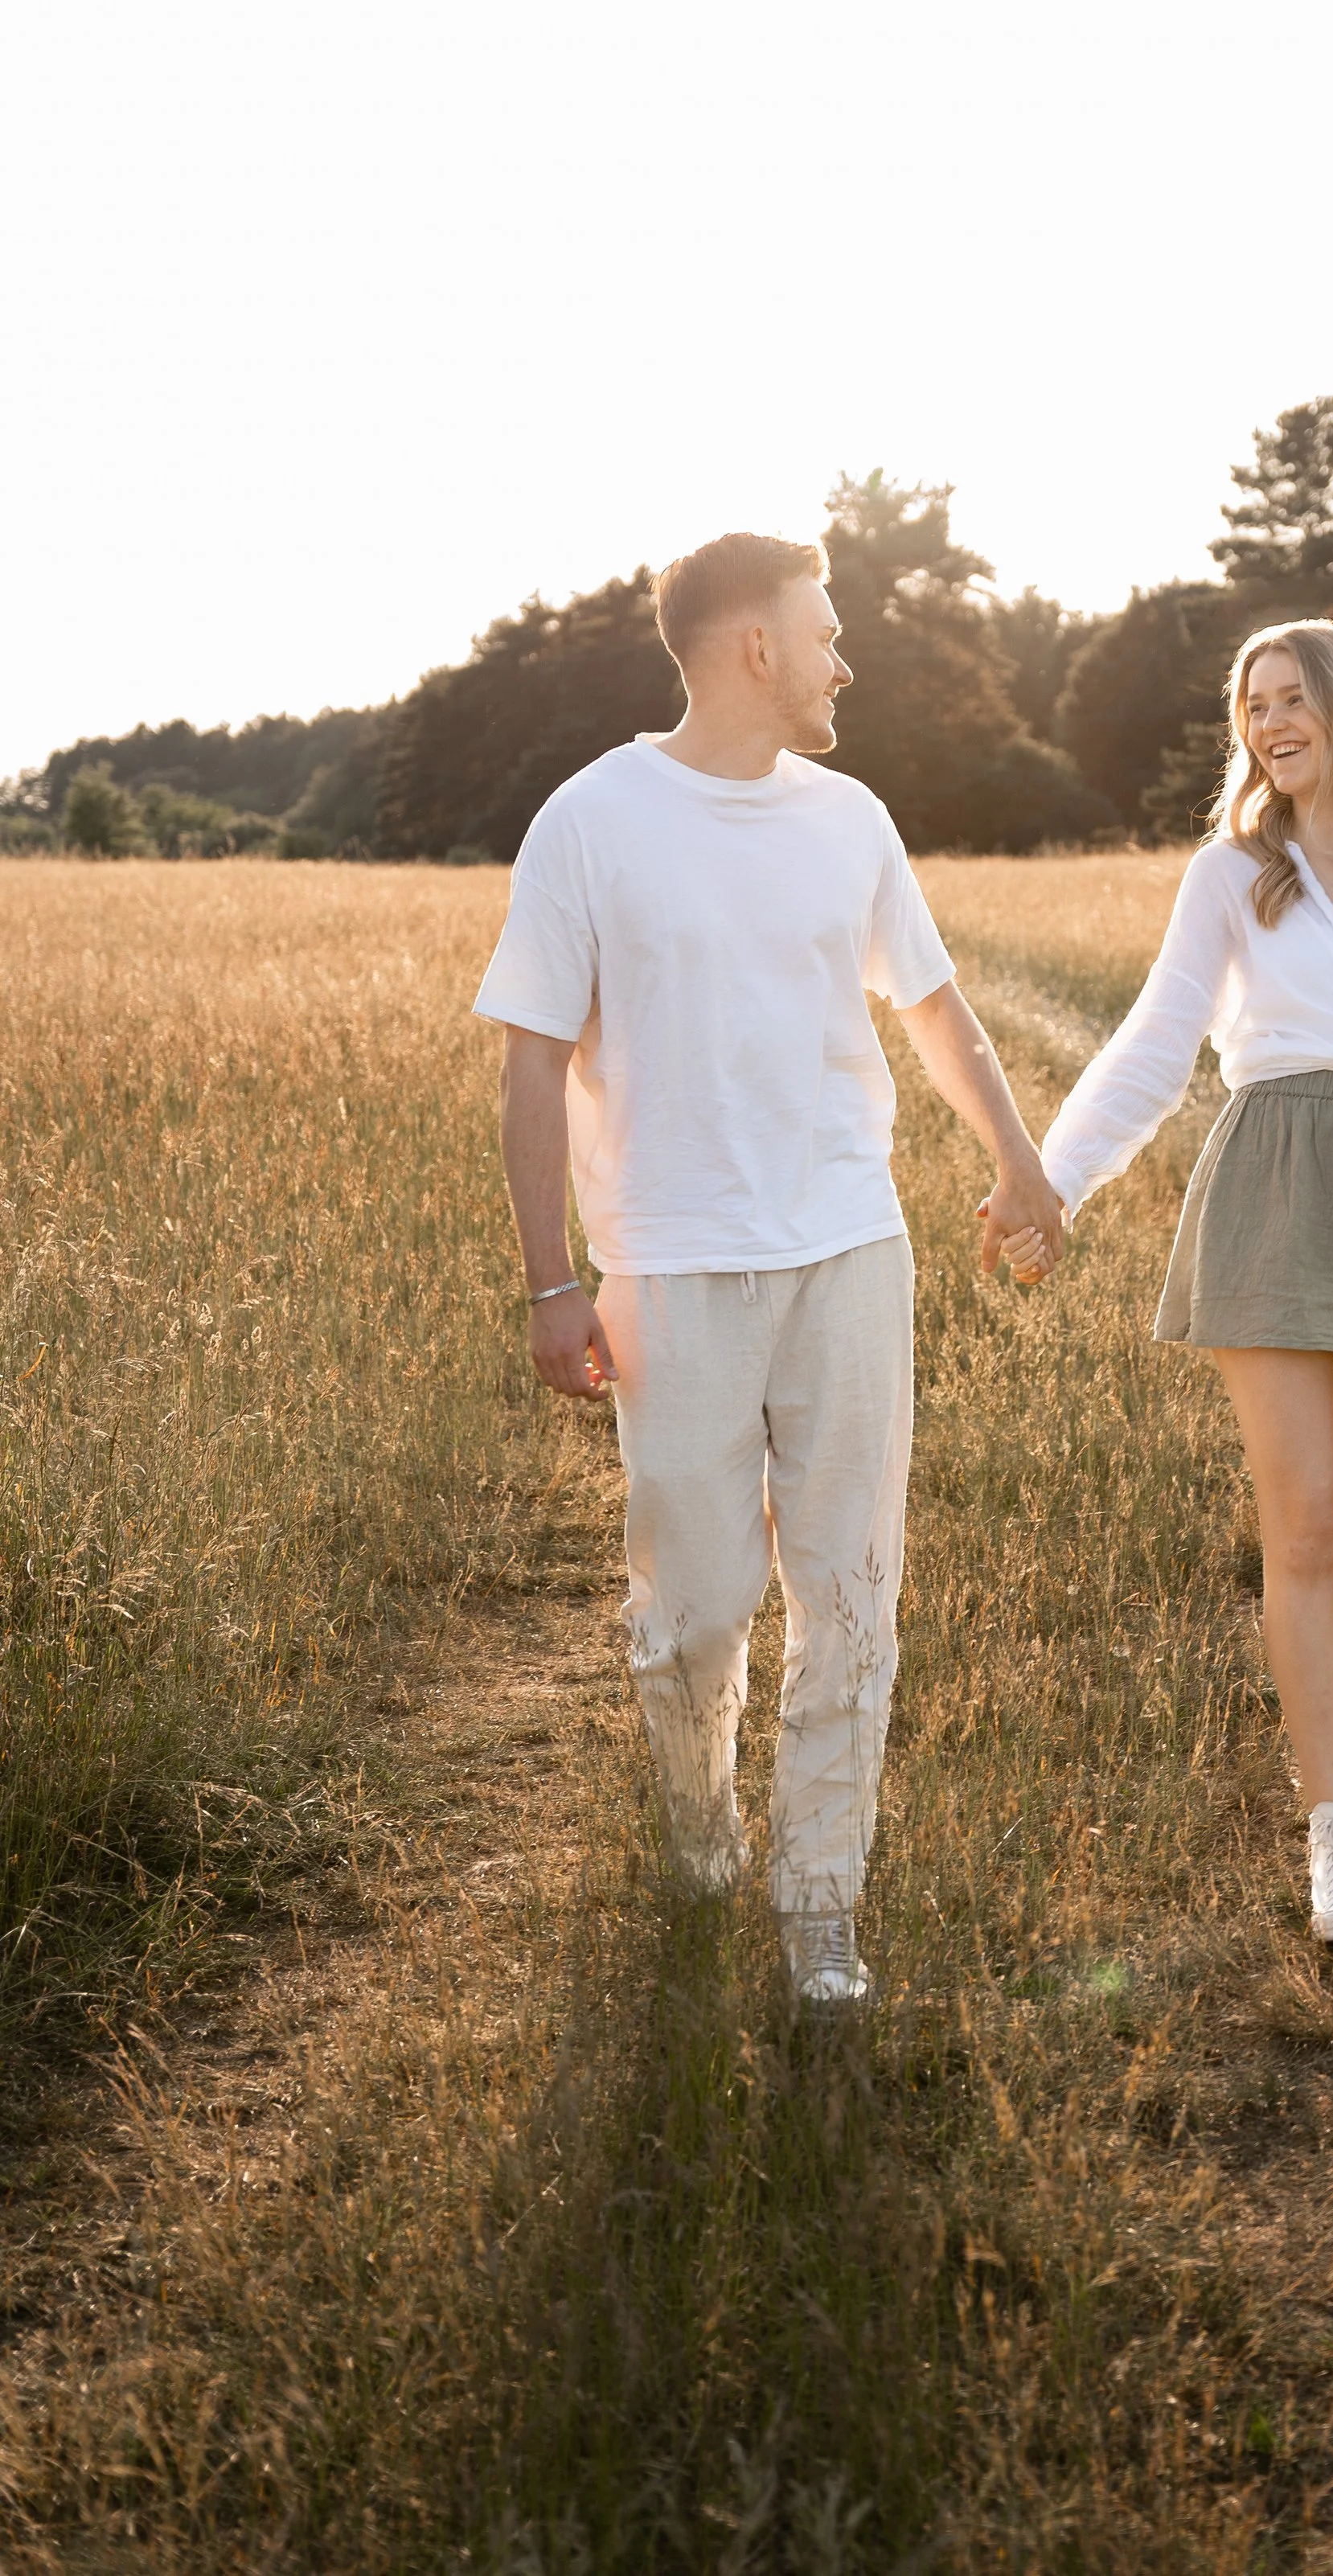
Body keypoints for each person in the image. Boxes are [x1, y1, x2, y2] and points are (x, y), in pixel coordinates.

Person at [472, 532, 1065, 2008]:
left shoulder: (851, 819)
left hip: (849, 1249)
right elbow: (531, 1062)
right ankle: (702, 1838)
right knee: (692, 1610)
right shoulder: (590, 821)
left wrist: (1018, 1159)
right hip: (670, 1266)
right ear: (755, 646)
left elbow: (934, 1009)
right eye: (827, 632)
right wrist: (550, 1280)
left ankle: (821, 1903)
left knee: (852, 1590)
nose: (844, 662)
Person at [1006, 619, 1333, 1946]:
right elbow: (1157, 1042)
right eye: (1254, 705)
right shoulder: (1236, 872)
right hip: (1274, 1182)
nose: (1270, 723)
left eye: (1295, 697)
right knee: (1303, 1528)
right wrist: (1055, 1179)